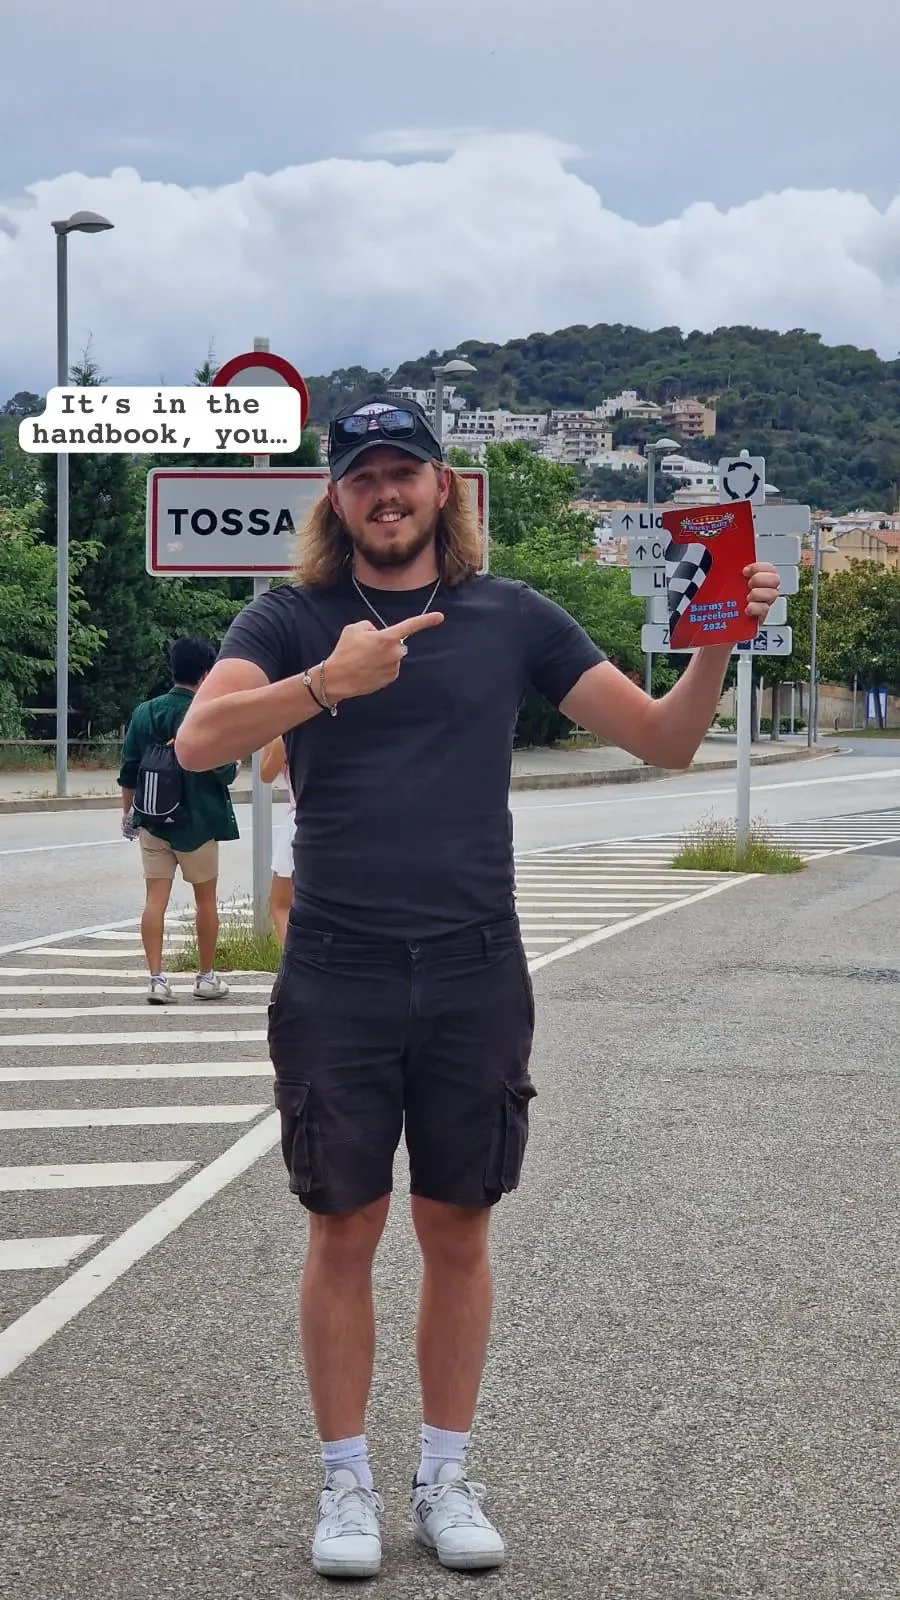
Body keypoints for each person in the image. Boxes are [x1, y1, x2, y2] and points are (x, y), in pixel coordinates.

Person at [174, 396, 780, 1580]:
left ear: (444, 488)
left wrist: (717, 639)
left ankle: (443, 1473)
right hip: (337, 972)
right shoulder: (292, 615)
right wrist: (326, 683)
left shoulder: (513, 616)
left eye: (406, 472)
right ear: (336, 498)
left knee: (458, 1224)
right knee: (342, 1224)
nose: (386, 494)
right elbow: (199, 741)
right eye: (363, 477)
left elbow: (662, 743)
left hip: (474, 967)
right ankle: (346, 1482)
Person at [119, 635, 239, 1005]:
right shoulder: (208, 712)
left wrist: (129, 814)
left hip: (153, 819)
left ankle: (157, 979)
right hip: (199, 823)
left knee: (155, 899)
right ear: (206, 673)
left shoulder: (144, 712)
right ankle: (205, 977)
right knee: (206, 901)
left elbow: (129, 770)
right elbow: (226, 773)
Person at [261, 734, 295, 945]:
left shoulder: (288, 735)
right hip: (348, 824)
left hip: (302, 823)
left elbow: (266, 773)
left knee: (280, 905)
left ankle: (295, 966)